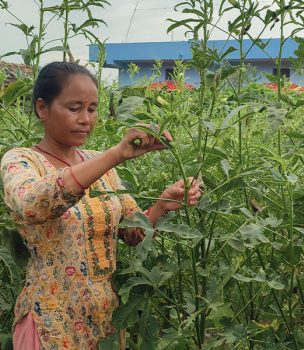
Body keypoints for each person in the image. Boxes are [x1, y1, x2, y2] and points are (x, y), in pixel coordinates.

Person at [0, 62, 202, 350]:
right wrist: (116, 154)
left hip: (105, 320)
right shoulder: (22, 160)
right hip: (52, 323)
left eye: (92, 109)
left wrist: (163, 204)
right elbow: (33, 204)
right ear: (42, 108)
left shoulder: (101, 165)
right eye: (74, 108)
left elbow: (134, 234)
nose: (86, 119)